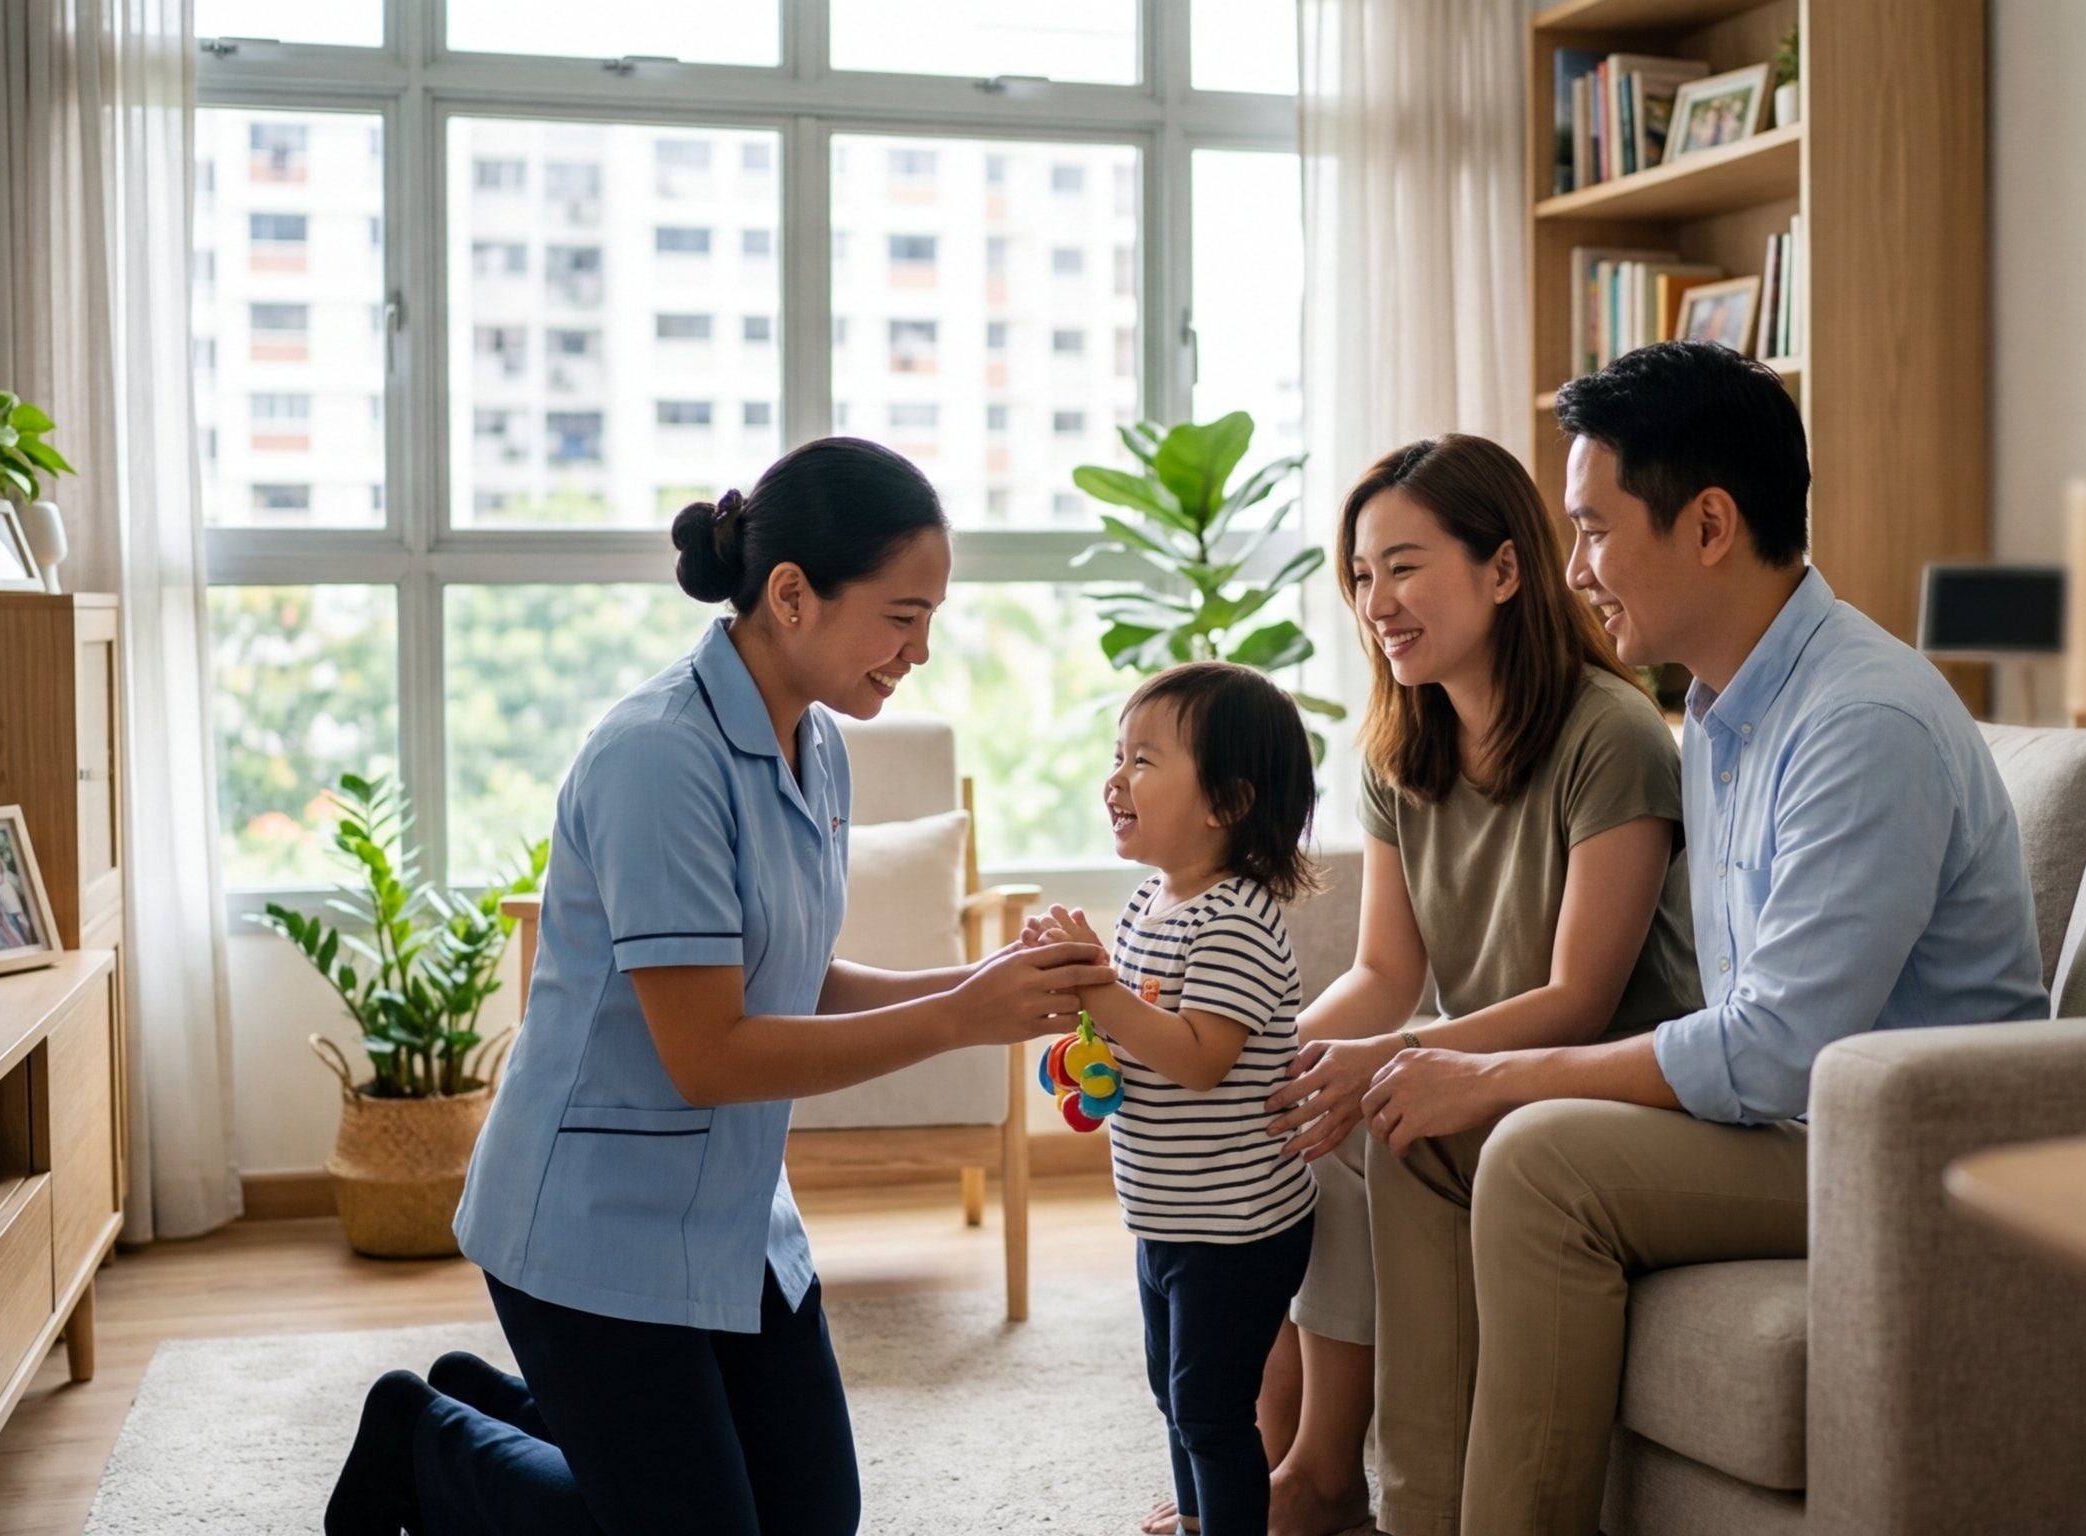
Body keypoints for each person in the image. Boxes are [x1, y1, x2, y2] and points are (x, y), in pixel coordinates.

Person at [322, 438, 1119, 1536]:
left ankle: (494, 1409)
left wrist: (984, 981)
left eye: (932, 617)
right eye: (902, 615)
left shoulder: (818, 746)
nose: (921, 650)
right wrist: (957, 1018)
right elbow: (711, 1054)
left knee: (811, 1523)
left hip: (733, 1216)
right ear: (790, 595)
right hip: (589, 1226)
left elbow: (793, 977)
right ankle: (426, 1441)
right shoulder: (656, 758)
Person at [1356, 342, 2049, 1536]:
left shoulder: (1859, 721)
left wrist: (1502, 1073)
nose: (1576, 571)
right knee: (1418, 1128)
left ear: (1711, 524)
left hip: (1890, 1143)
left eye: (1592, 529)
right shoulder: (1721, 715)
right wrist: (1452, 1076)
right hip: (1785, 1122)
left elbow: (1781, 1050)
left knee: (1534, 1152)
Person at [1230, 434, 1699, 1536]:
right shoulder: (1401, 746)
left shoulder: (1612, 734)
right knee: (1275, 1117)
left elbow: (1581, 998)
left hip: (1591, 1076)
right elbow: (1386, 972)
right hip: (1469, 1054)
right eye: (1358, 574)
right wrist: (1267, 1053)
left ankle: (1323, 1477)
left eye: (1403, 565)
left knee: (1367, 1118)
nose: (1375, 601)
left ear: (1502, 569)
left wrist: (1385, 1060)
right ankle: (1277, 1450)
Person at [1025, 662, 1322, 1536]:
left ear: (1226, 802)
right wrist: (1082, 1003)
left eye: (1144, 761)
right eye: (1118, 755)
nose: (1115, 779)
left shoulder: (1236, 919)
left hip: (1238, 1227)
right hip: (1167, 1211)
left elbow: (1201, 1059)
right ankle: (1200, 1513)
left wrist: (1103, 990)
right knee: (1172, 1388)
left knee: (1212, 1407)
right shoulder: (1152, 902)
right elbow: (1126, 1034)